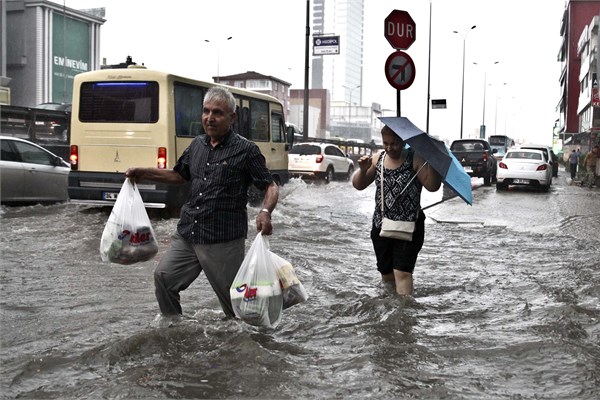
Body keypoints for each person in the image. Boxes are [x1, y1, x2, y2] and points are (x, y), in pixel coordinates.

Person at [125, 86, 278, 325]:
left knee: (237, 306)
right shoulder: (197, 145)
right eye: (206, 111)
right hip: (188, 233)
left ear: (232, 118)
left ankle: (252, 348)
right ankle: (174, 327)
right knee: (164, 277)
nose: (210, 117)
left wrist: (265, 212)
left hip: (222, 239)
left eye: (217, 112)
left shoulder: (246, 151)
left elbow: (270, 186)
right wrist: (144, 173)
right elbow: (179, 176)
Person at [352, 125, 442, 296]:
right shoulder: (378, 158)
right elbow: (358, 185)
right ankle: (388, 312)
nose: (389, 147)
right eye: (385, 143)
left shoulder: (415, 159)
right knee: (386, 275)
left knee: (402, 273)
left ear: (403, 141)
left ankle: (404, 315)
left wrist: (435, 163)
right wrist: (363, 171)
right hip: (381, 226)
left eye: (394, 143)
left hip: (409, 227)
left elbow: (432, 186)